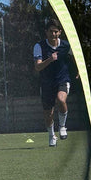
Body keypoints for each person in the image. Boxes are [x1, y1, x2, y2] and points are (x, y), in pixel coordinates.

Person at [33, 18, 73, 147]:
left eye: (56, 31)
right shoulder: (39, 46)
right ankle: (51, 135)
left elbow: (76, 59)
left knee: (61, 99)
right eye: (51, 31)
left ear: (60, 32)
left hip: (62, 79)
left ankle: (62, 127)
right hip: (46, 83)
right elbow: (38, 67)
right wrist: (50, 59)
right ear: (46, 32)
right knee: (48, 113)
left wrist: (78, 71)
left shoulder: (66, 45)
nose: (53, 34)